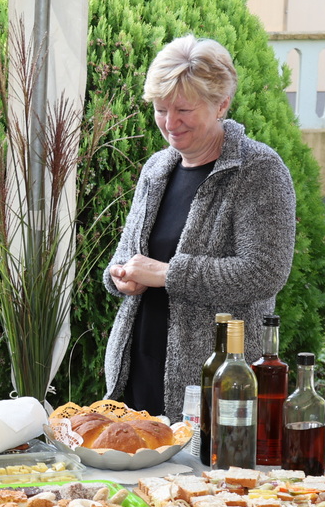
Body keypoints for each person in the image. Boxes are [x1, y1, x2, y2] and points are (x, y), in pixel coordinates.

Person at [103, 34, 296, 418]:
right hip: (138, 370)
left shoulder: (258, 169)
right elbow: (127, 254)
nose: (170, 123)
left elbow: (264, 272)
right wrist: (120, 275)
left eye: (183, 110)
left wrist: (167, 273)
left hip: (216, 381)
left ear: (221, 103)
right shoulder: (157, 168)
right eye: (160, 109)